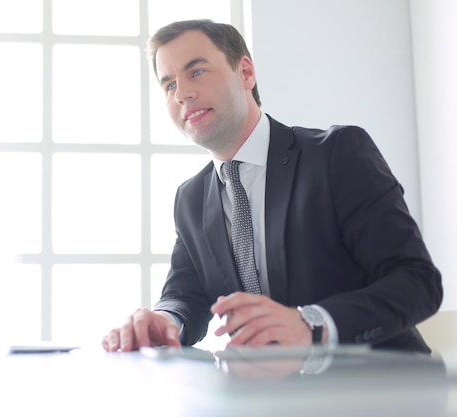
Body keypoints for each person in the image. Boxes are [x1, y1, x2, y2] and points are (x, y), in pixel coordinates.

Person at [101, 19, 442, 354]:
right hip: (265, 397)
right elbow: (186, 295)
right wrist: (166, 319)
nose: (183, 93)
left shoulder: (337, 154)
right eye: (169, 85)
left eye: (197, 71)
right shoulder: (190, 198)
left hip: (381, 392)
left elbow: (417, 282)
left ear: (246, 73)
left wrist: (311, 324)